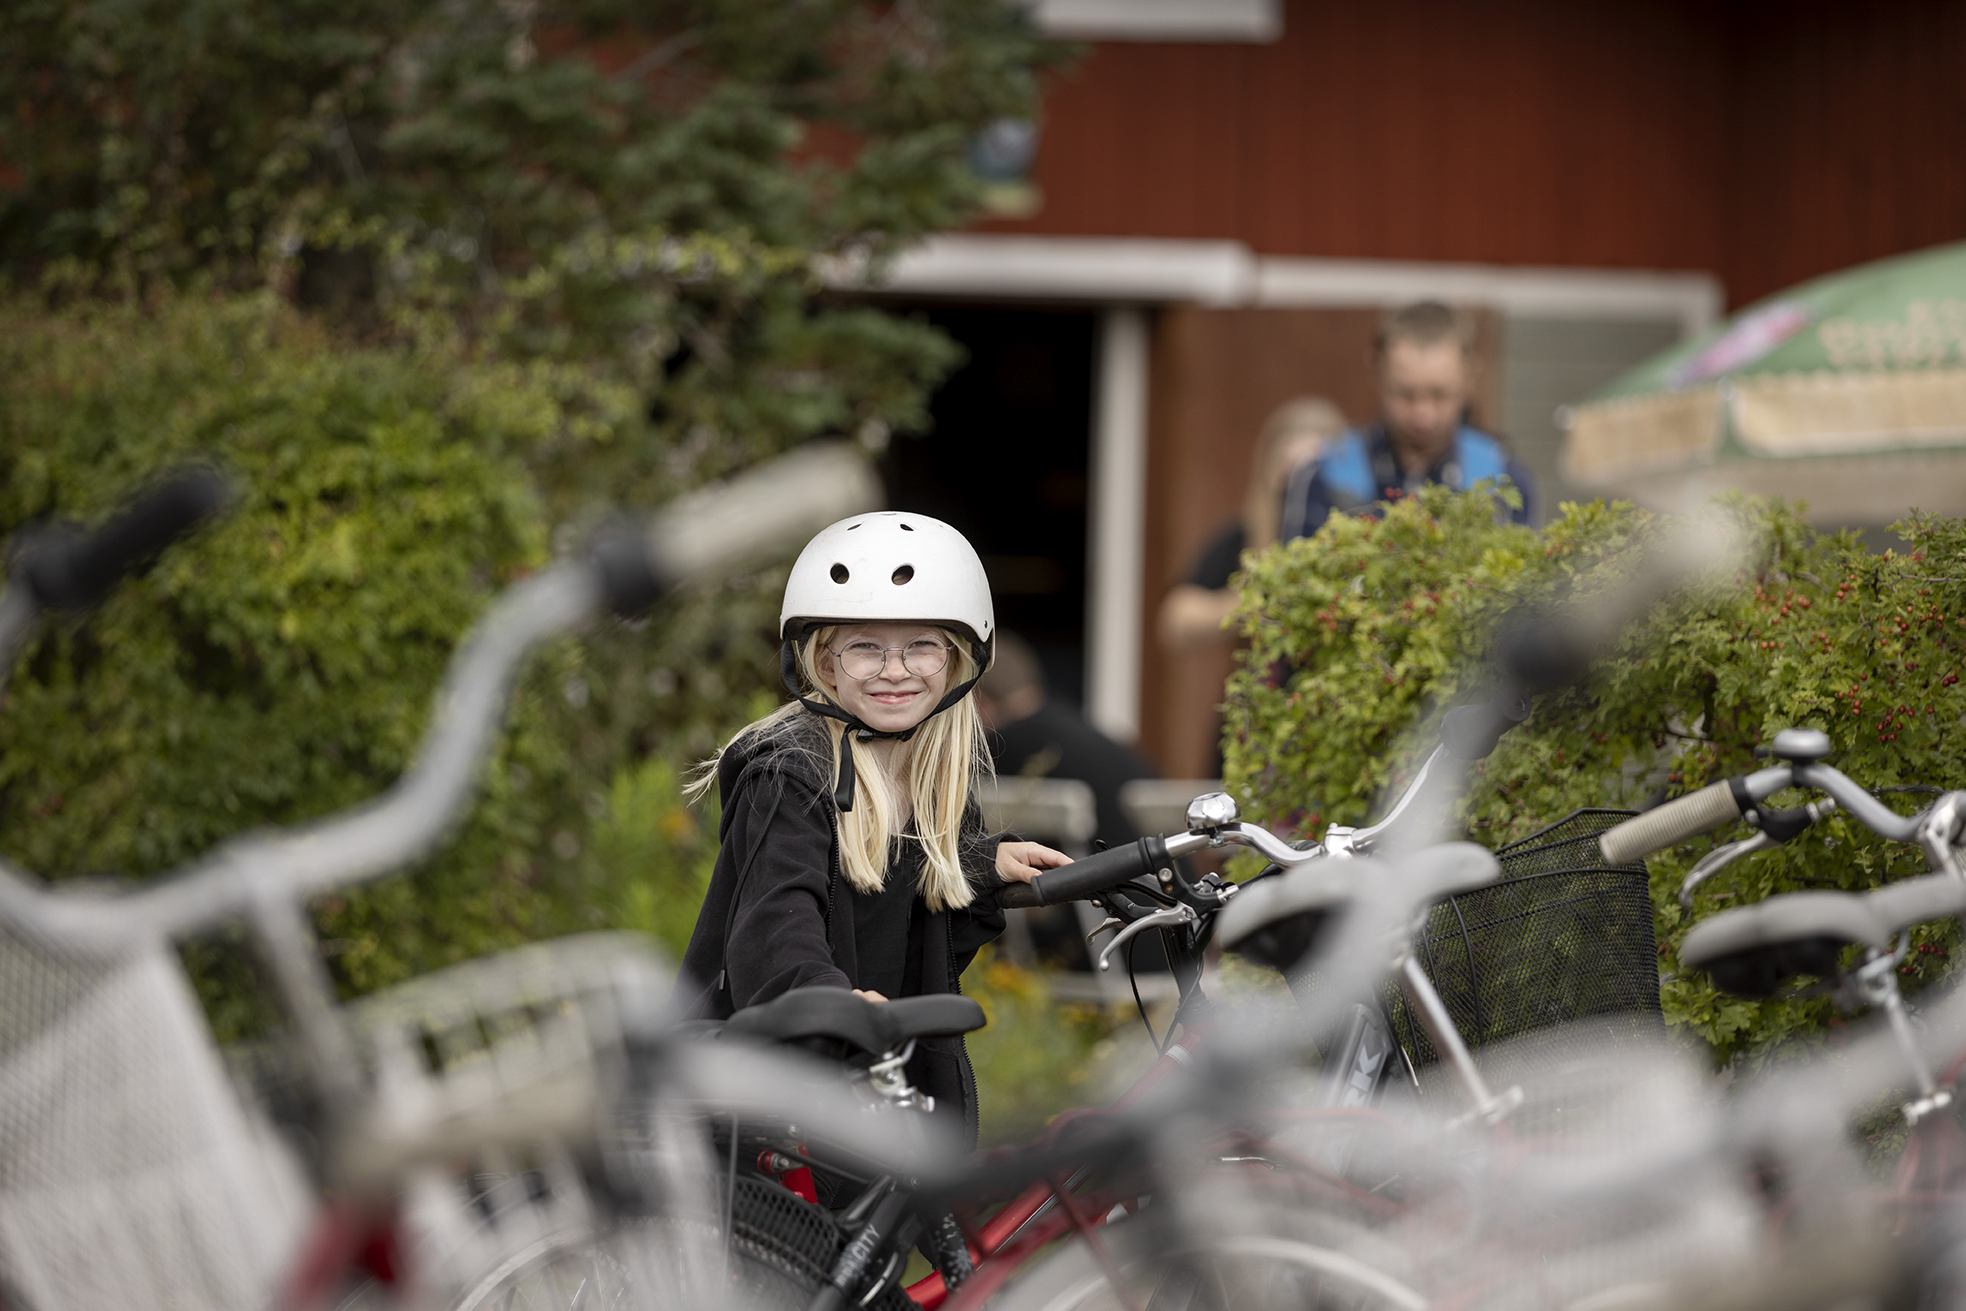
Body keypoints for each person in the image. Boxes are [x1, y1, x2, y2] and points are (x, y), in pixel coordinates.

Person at [680, 511, 1072, 1147]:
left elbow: (902, 916)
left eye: (921, 645)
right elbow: (778, 921)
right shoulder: (792, 773)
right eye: (866, 646)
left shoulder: (935, 773)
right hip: (756, 1103)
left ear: (956, 662)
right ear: (825, 662)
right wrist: (825, 998)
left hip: (858, 1088)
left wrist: (976, 867)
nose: (896, 669)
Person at [1280, 302, 1536, 542]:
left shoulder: (1504, 480)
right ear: (1376, 373)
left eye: (1440, 395)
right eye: (1405, 394)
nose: (1423, 414)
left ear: (1470, 378)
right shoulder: (1323, 474)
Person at [1160, 396, 1346, 654]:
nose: (1301, 489)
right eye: (1292, 473)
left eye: (1313, 476)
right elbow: (1177, 618)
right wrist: (1255, 603)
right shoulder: (1245, 538)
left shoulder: (1355, 543)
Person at [974, 630, 1157, 852]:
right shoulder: (1075, 727)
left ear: (981, 703)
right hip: (1166, 877)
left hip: (1116, 881)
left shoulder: (1005, 742)